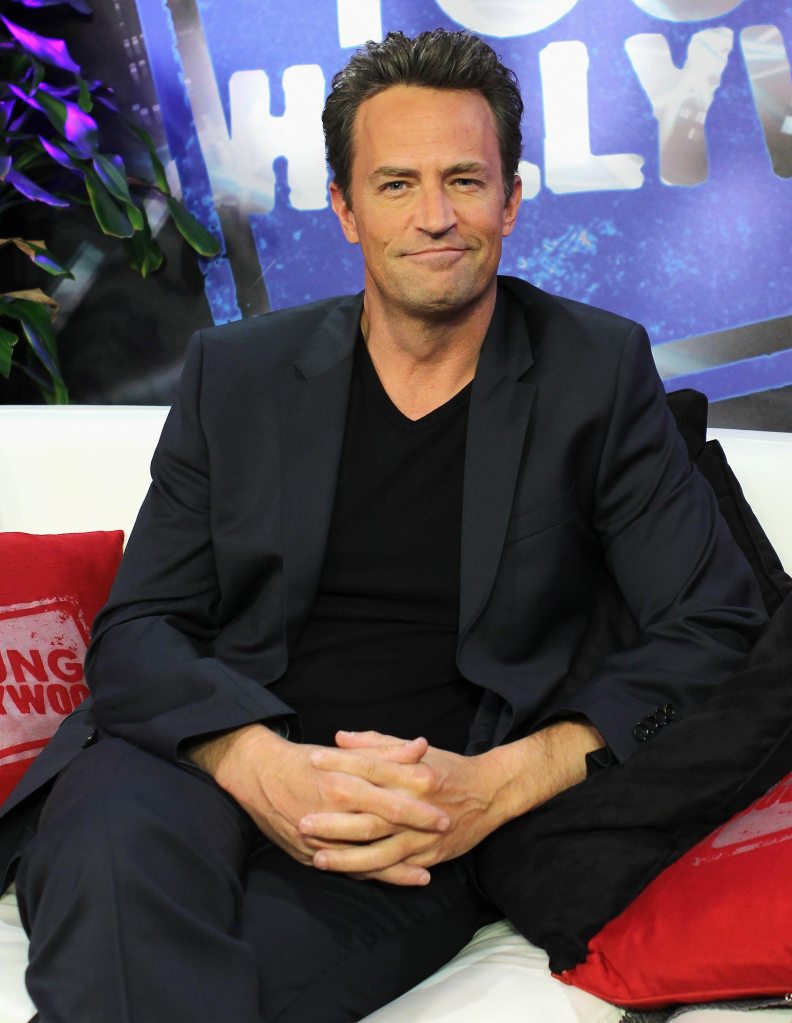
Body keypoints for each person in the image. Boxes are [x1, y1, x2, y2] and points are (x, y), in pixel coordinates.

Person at [0, 28, 766, 1023]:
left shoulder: (595, 372)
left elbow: (715, 625)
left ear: (511, 199)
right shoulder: (237, 375)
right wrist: (253, 760)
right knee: (112, 867)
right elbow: (138, 629)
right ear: (345, 208)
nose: (434, 216)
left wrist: (503, 783)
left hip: (415, 821)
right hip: (191, 765)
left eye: (464, 180)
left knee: (177, 988)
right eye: (397, 183)